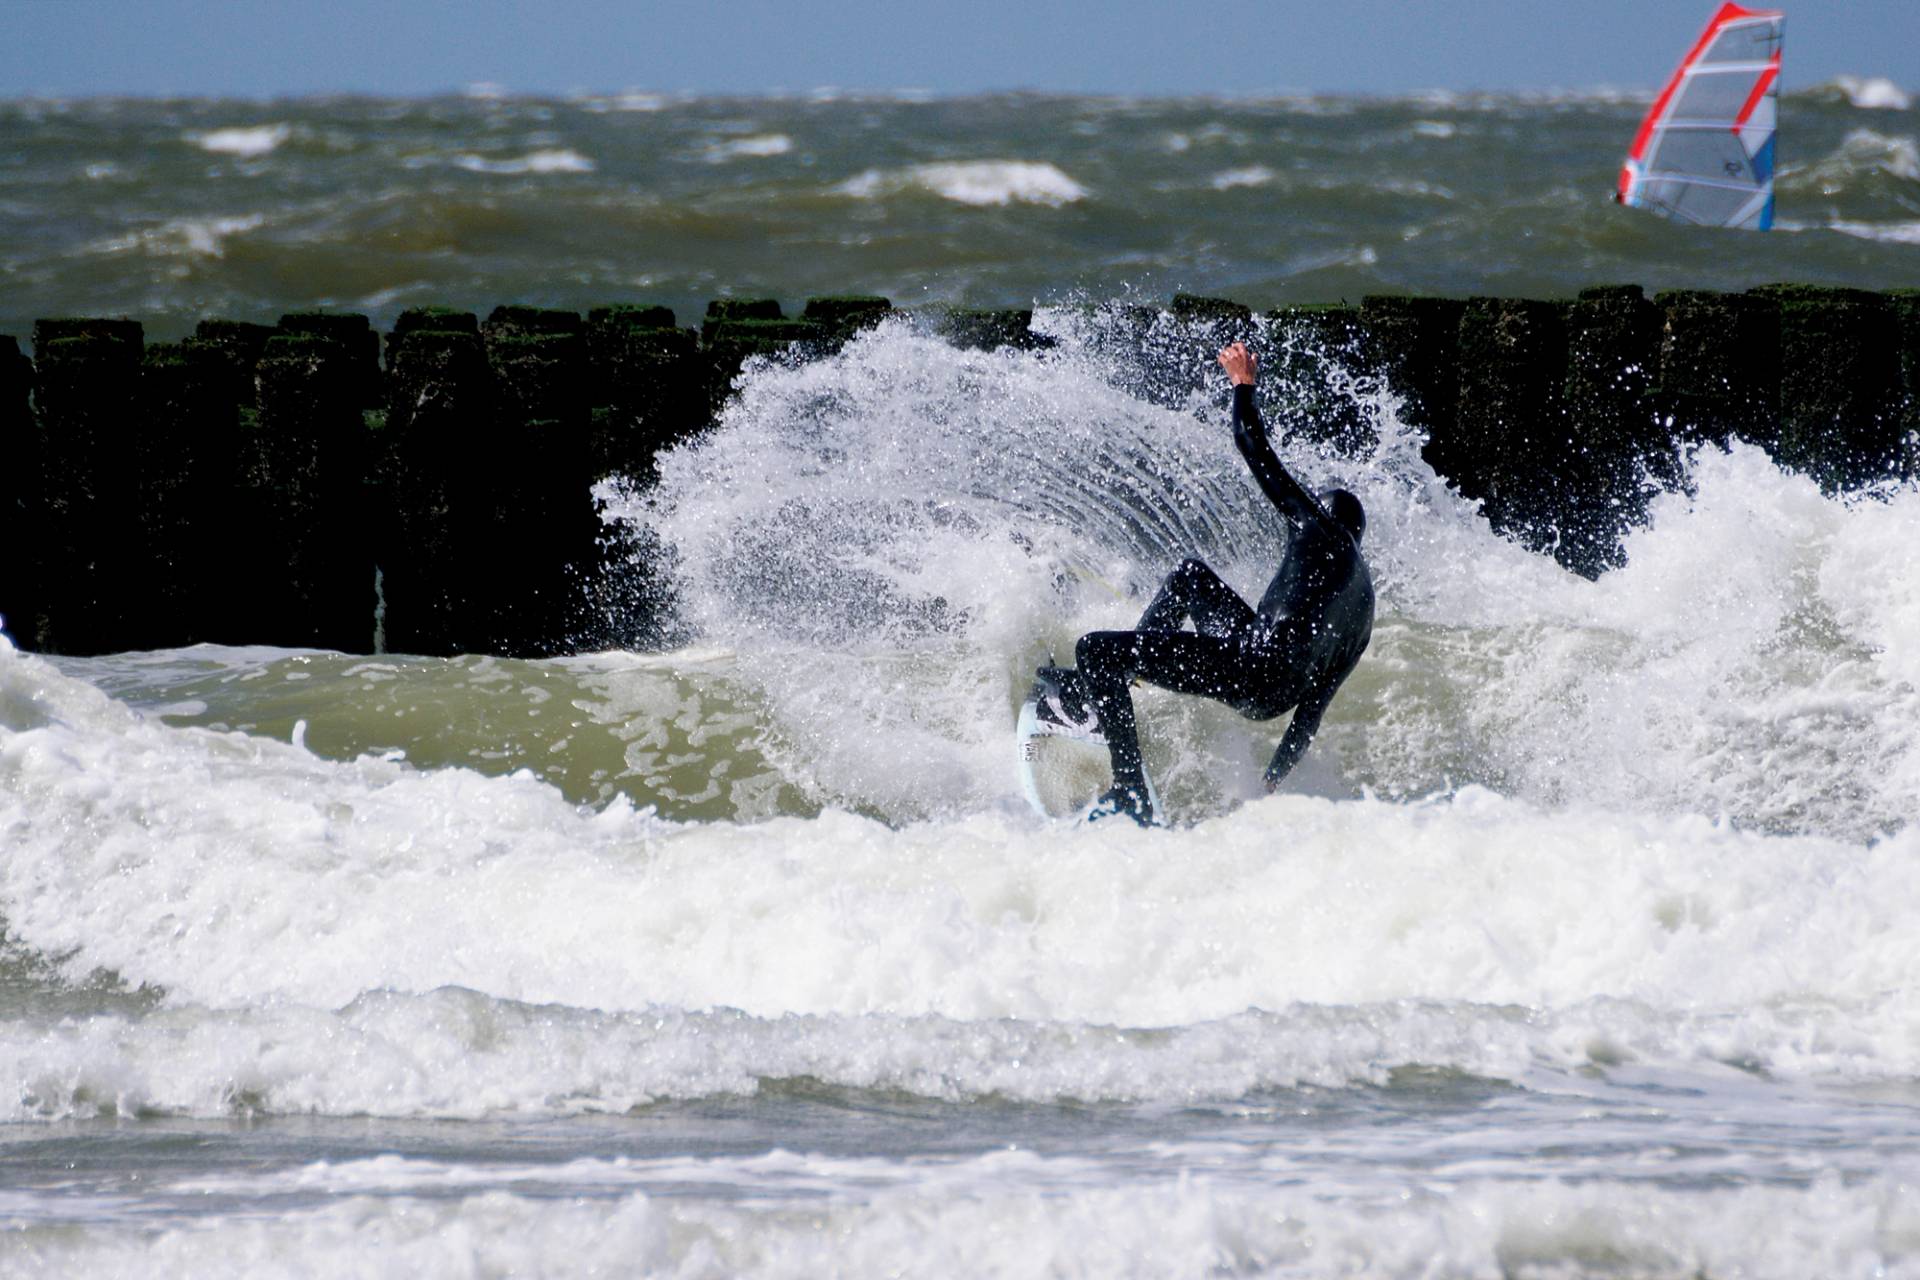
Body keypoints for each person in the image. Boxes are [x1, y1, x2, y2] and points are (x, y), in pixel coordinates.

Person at [1033, 341, 1374, 826]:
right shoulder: (1362, 608)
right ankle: (1131, 674)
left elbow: (1253, 446)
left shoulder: (1317, 526)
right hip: (1273, 685)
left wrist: (1243, 386)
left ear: (1324, 511)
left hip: (1251, 667)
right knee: (1190, 575)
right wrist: (1274, 775)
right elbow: (1312, 712)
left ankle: (1131, 791)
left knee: (1094, 651)